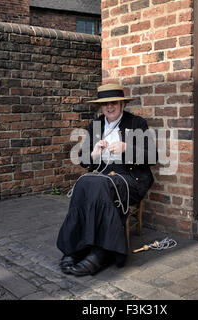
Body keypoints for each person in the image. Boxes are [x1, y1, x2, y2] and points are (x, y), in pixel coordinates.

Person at [56, 83, 156, 276]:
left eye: (114, 103)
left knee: (98, 184)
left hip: (129, 178)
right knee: (83, 182)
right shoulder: (95, 125)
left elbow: (152, 156)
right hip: (101, 177)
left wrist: (126, 148)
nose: (109, 108)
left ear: (122, 104)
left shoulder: (137, 123)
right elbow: (85, 161)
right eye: (105, 104)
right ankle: (74, 248)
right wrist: (93, 154)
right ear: (101, 107)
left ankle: (101, 253)